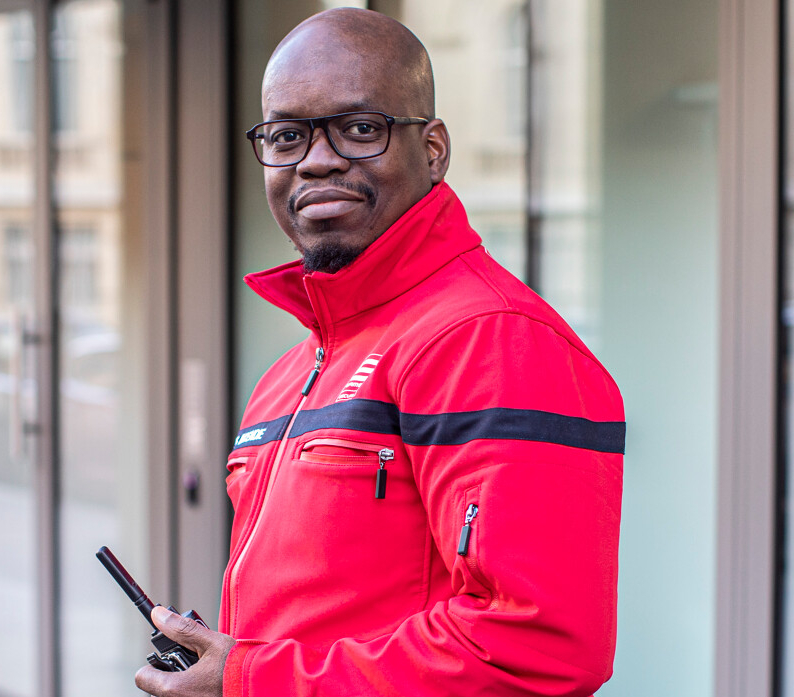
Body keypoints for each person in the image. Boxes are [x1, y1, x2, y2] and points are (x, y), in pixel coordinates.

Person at [135, 8, 624, 697]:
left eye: (360, 128)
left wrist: (250, 678)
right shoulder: (294, 370)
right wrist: (232, 666)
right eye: (287, 135)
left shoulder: (490, 339)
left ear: (434, 149)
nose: (317, 160)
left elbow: (532, 647)